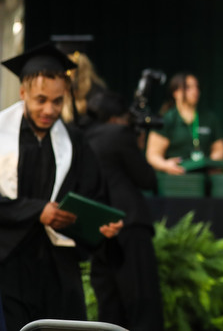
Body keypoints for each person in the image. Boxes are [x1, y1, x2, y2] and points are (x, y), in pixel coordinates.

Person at [0, 43, 122, 331]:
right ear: (23, 93)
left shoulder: (74, 141)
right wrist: (37, 210)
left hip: (58, 266)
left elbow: (92, 196)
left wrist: (100, 229)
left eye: (57, 101)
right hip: (8, 263)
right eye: (40, 99)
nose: (49, 110)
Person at [84, 91, 164, 331]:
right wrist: (137, 144)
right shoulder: (118, 133)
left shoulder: (81, 136)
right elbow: (146, 178)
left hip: (98, 227)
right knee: (143, 302)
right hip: (129, 223)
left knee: (109, 306)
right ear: (116, 117)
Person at [145, 72, 223, 175]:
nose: (195, 90)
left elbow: (219, 149)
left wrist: (210, 163)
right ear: (176, 92)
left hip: (203, 179)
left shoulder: (209, 118)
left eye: (197, 86)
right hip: (176, 180)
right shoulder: (166, 119)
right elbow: (153, 155)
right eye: (188, 87)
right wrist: (165, 165)